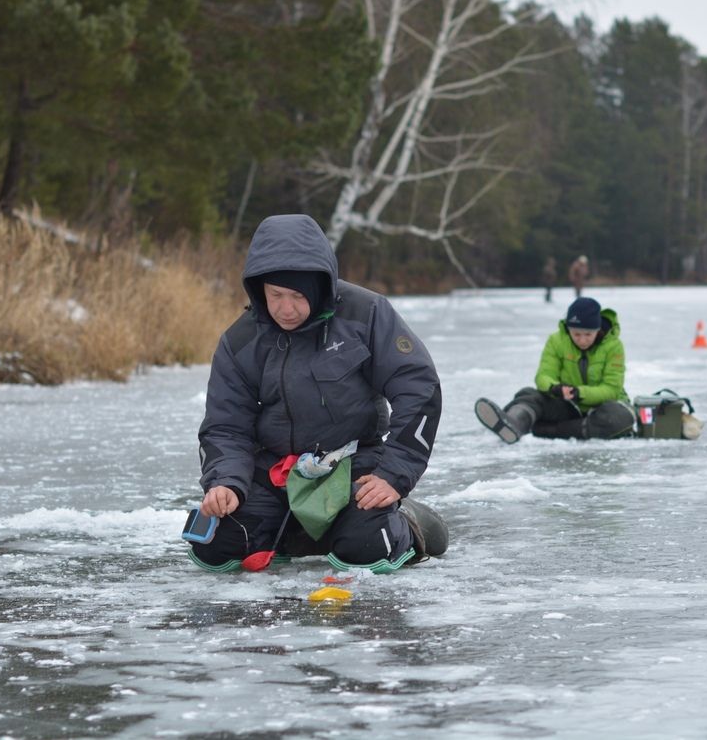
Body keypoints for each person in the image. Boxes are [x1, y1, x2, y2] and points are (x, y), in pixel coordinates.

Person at [190, 214, 447, 574]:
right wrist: (225, 483)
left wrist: (394, 474)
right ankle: (306, 529)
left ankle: (406, 521)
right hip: (275, 474)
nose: (286, 308)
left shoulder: (366, 314)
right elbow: (225, 426)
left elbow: (419, 387)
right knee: (216, 545)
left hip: (353, 466)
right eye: (275, 294)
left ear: (319, 286)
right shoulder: (240, 341)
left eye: (298, 295)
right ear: (258, 288)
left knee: (366, 547)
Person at [474, 296, 635, 443]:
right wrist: (554, 388)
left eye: (588, 334)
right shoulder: (556, 341)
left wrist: (580, 393)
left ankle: (543, 430)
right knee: (529, 395)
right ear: (568, 329)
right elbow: (544, 375)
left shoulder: (613, 346)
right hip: (568, 405)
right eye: (576, 334)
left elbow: (612, 389)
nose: (582, 340)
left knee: (619, 418)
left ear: (597, 329)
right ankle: (514, 423)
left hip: (602, 407)